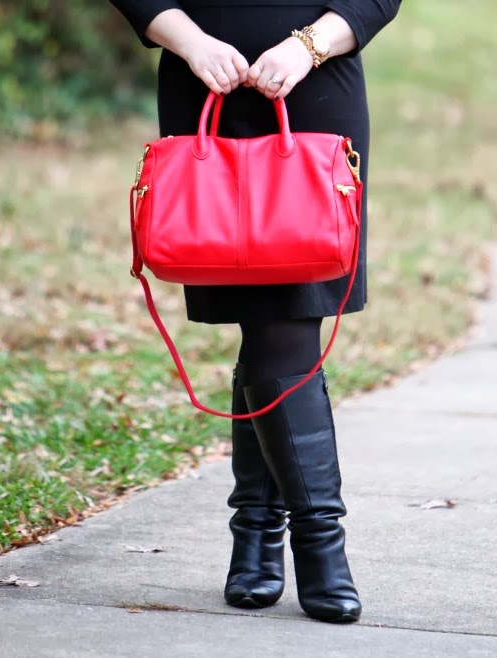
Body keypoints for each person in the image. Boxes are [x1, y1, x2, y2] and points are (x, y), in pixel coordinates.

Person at [109, 0, 401, 623]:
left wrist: (307, 47)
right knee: (261, 324)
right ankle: (260, 537)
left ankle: (306, 547)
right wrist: (191, 43)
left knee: (285, 323)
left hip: (315, 88)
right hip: (204, 90)